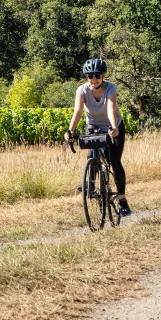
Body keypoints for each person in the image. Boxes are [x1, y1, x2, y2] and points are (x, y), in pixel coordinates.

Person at [64, 58, 131, 216]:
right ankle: (91, 184)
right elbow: (78, 111)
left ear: (103, 76)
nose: (93, 79)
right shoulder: (82, 90)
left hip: (112, 125)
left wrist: (114, 127)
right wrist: (70, 130)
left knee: (114, 161)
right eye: (90, 76)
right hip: (93, 125)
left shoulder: (111, 88)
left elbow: (110, 109)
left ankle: (122, 199)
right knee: (90, 154)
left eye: (97, 76)